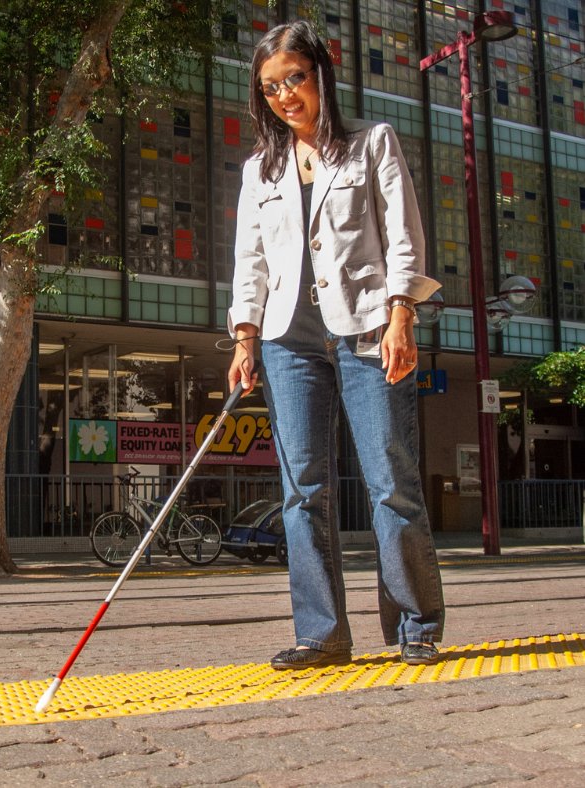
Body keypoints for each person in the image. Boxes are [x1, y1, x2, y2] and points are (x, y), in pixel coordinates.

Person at [226, 20, 445, 669]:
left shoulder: (371, 145)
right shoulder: (258, 171)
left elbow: (404, 237)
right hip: (287, 343)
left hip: (370, 328)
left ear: (321, 72)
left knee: (388, 481)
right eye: (271, 87)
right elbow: (251, 260)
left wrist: (402, 314)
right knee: (303, 492)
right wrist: (244, 336)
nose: (285, 95)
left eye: (295, 77)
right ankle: (321, 633)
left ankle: (416, 625)